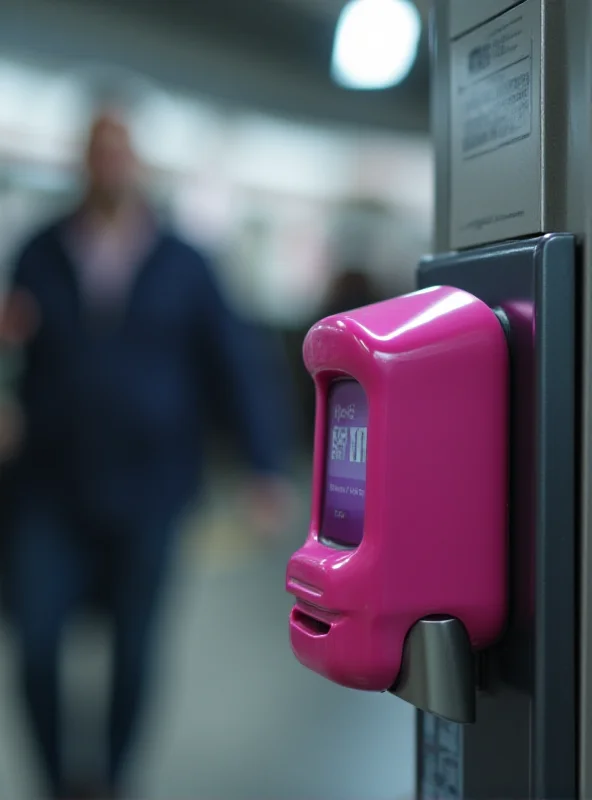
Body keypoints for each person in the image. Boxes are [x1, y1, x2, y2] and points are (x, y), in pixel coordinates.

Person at [0, 110, 294, 799]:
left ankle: (112, 781)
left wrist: (263, 466)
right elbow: (11, 351)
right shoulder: (39, 252)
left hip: (151, 489)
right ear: (82, 162)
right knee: (36, 642)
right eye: (95, 150)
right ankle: (56, 783)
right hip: (51, 484)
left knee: (135, 652)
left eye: (119, 150)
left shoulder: (184, 262)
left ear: (136, 163)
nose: (107, 163)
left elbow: (232, 364)